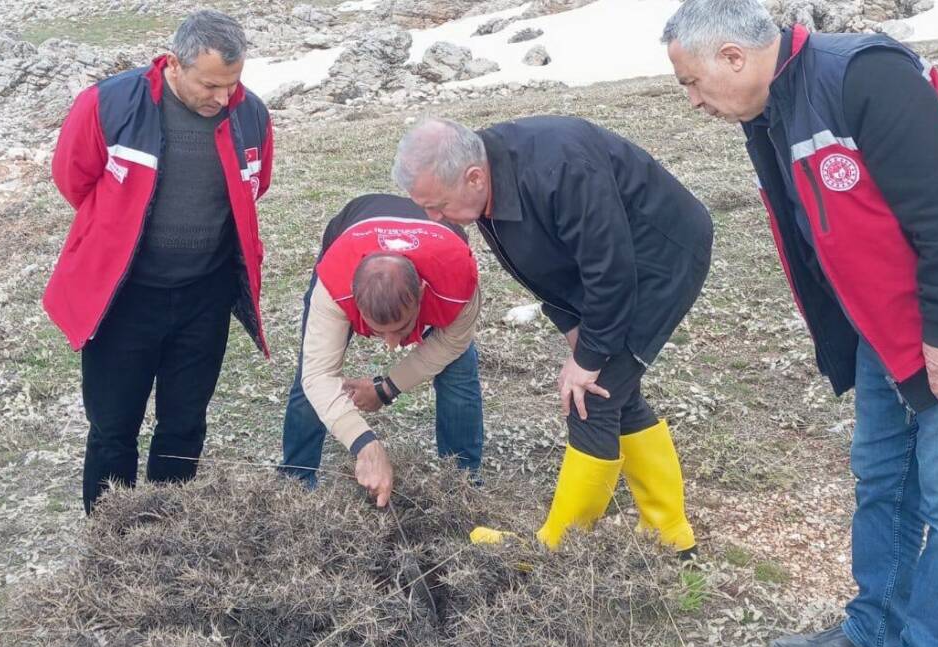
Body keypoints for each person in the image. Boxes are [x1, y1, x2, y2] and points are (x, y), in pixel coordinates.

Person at [663, 1, 938, 647]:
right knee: (883, 482)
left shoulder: (862, 74)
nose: (693, 102)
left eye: (691, 82)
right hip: (882, 332)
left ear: (733, 58)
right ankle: (872, 631)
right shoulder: (773, 107)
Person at [392, 116, 713, 554]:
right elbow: (545, 266)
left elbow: (611, 270)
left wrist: (591, 355)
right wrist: (574, 327)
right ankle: (671, 534)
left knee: (592, 399)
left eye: (436, 205)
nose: (431, 217)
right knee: (616, 391)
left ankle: (556, 552)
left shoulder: (560, 168)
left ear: (473, 176)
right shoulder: (483, 184)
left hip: (659, 261)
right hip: (610, 271)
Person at [42, 10, 273, 514]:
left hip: (202, 299)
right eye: (210, 85)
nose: (222, 98)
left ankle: (167, 535)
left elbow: (258, 184)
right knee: (113, 428)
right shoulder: (110, 104)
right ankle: (110, 539)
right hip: (124, 298)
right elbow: (72, 180)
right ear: (174, 63)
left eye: (231, 85)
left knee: (185, 424)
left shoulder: (250, 113)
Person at [281, 193, 484, 507]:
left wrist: (387, 388)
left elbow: (450, 343)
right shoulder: (333, 285)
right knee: (310, 371)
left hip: (438, 248)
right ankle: (295, 481)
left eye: (401, 329)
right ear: (351, 301)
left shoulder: (458, 279)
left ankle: (462, 486)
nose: (391, 345)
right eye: (378, 330)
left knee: (458, 366)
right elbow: (319, 375)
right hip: (353, 228)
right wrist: (365, 444)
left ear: (422, 293)